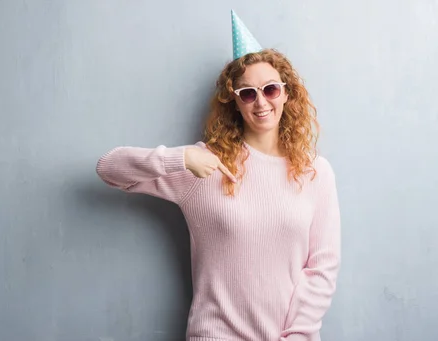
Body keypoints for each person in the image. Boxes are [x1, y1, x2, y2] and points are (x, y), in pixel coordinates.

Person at [95, 10, 341, 341]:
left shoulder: (316, 173)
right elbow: (109, 167)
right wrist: (180, 158)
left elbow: (322, 269)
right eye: (248, 93)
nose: (260, 102)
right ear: (235, 103)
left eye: (269, 89)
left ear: (286, 93)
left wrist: (296, 336)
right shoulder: (204, 165)